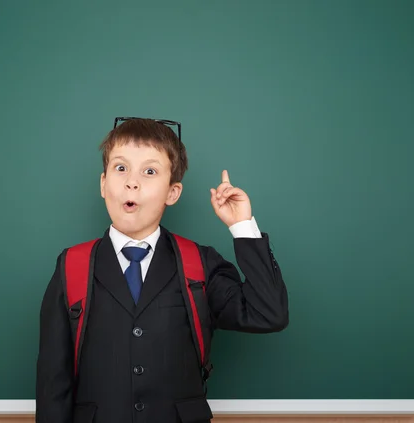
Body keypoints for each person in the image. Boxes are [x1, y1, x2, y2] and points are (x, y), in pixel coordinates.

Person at [36, 117, 289, 423]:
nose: (133, 181)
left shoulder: (200, 262)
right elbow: (53, 381)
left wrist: (242, 227)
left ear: (173, 192)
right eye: (120, 168)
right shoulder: (71, 265)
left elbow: (268, 313)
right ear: (103, 184)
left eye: (150, 171)